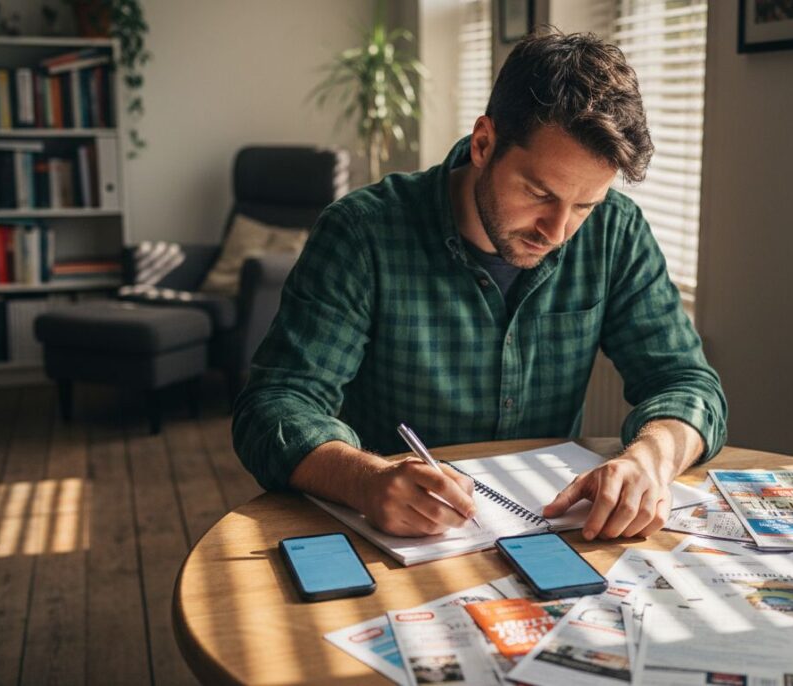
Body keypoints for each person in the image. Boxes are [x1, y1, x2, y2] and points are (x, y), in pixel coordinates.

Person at [232, 29, 727, 541]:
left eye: (584, 206)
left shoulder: (615, 232)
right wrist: (367, 480)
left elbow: (687, 383)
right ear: (484, 143)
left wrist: (650, 459)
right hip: (398, 541)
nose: (556, 233)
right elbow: (275, 406)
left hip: (550, 536)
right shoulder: (362, 233)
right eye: (539, 193)